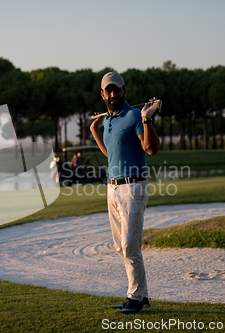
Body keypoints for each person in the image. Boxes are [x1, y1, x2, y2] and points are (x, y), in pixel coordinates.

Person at [90, 71, 160, 314]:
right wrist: (95, 131)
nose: (112, 94)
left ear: (124, 91)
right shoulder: (108, 120)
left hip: (133, 187)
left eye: (116, 89)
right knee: (121, 247)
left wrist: (147, 120)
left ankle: (135, 297)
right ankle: (144, 296)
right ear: (102, 94)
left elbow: (151, 149)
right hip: (112, 188)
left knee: (130, 245)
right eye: (108, 90)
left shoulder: (133, 115)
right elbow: (111, 154)